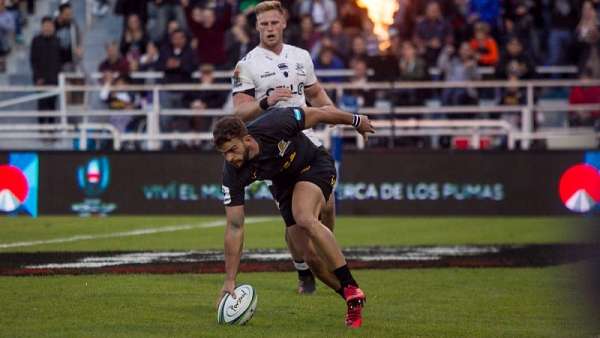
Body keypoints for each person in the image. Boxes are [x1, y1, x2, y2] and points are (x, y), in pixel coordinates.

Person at [214, 105, 374, 328]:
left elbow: (320, 113)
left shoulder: (275, 123)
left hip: (314, 164)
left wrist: (356, 120)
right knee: (311, 259)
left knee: (304, 216)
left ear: (247, 139)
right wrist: (230, 280)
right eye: (224, 154)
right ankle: (352, 298)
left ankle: (349, 284)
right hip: (284, 185)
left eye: (232, 149)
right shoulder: (232, 173)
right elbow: (234, 226)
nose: (229, 158)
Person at [231, 1, 340, 295]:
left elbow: (315, 92)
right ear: (257, 27)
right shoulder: (247, 64)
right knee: (295, 219)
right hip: (272, 146)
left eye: (273, 23)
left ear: (283, 23)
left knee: (327, 204)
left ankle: (326, 249)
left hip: (306, 136)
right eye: (263, 24)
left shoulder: (301, 56)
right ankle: (304, 269)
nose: (269, 28)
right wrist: (266, 102)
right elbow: (239, 113)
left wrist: (331, 113)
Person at [30, 16, 61, 125]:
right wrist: (37, 77)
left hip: (54, 79)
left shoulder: (57, 41)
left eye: (50, 26)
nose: (48, 28)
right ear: (42, 27)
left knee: (52, 104)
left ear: (53, 27)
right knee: (42, 104)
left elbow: (62, 60)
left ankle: (51, 129)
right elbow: (33, 61)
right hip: (40, 79)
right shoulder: (36, 40)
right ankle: (42, 128)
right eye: (45, 26)